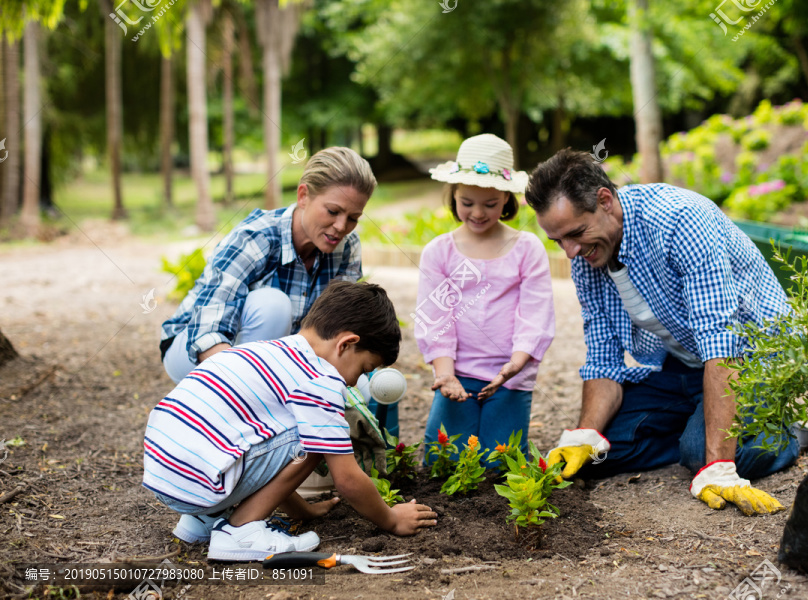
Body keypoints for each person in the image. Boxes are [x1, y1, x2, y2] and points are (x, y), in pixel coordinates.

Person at [526, 149, 808, 516]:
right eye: (557, 241)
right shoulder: (588, 257)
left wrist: (719, 465)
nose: (569, 252)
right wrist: (586, 434)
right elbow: (603, 356)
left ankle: (784, 437)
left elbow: (722, 342)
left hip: (755, 357)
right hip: (686, 363)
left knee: (704, 455)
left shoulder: (681, 221)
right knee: (600, 452)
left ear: (605, 201)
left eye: (576, 233)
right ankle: (704, 420)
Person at [143, 281, 437, 562]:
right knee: (322, 437)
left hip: (167, 475)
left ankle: (204, 519)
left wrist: (303, 511)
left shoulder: (264, 351)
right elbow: (346, 479)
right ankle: (240, 532)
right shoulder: (320, 379)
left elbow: (261, 450)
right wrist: (391, 518)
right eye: (364, 368)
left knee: (292, 430)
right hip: (197, 483)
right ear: (346, 344)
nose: (355, 382)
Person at [159, 147, 374, 384]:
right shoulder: (255, 238)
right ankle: (240, 403)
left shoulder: (347, 246)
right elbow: (206, 333)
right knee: (272, 305)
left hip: (274, 359)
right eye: (333, 211)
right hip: (195, 348)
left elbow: (336, 335)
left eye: (353, 218)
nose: (341, 227)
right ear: (303, 196)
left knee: (364, 388)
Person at [415, 134, 555, 461]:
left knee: (499, 462)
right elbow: (437, 318)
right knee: (443, 459)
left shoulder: (527, 248)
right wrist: (445, 373)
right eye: (467, 203)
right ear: (453, 196)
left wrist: (513, 367)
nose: (477, 213)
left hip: (509, 375)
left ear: (507, 200)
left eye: (490, 204)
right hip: (457, 374)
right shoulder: (439, 251)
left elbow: (536, 314)